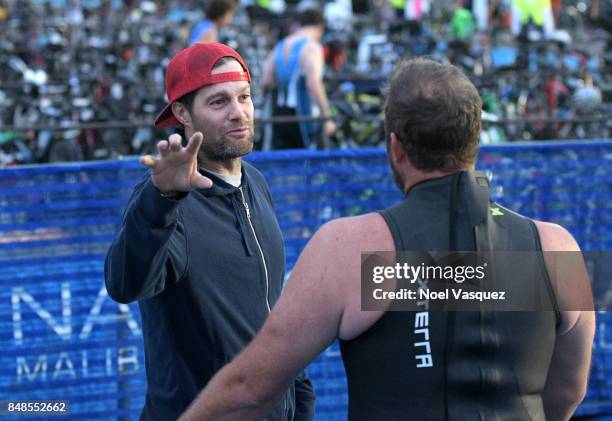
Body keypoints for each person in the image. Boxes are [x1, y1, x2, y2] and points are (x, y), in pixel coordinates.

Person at [179, 58, 595, 420]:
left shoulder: (353, 249)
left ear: (395, 147)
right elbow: (567, 392)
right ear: (475, 140)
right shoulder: (556, 248)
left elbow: (249, 389)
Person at [104, 42, 315, 421]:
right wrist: (161, 200)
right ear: (183, 113)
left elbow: (270, 308)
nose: (239, 113)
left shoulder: (256, 182)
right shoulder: (166, 199)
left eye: (244, 97)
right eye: (219, 103)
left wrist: (300, 399)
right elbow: (125, 284)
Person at [261, 9, 336, 149]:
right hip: (302, 115)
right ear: (320, 27)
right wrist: (327, 117)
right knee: (306, 164)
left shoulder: (280, 45)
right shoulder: (312, 47)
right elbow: (313, 83)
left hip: (279, 113)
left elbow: (266, 81)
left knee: (284, 163)